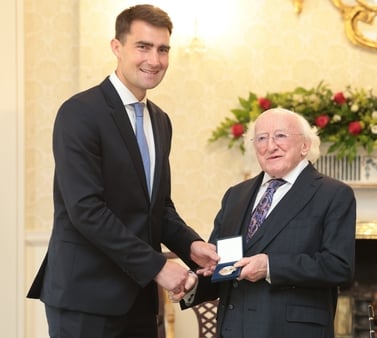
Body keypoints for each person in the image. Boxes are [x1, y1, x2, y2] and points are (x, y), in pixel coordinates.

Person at [26, 5, 219, 338]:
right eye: (143, 47)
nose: (154, 60)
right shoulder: (80, 113)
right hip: (85, 295)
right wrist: (159, 266)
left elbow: (157, 207)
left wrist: (190, 246)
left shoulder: (160, 121)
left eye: (163, 49)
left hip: (140, 298)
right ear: (117, 47)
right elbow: (86, 210)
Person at [186, 108, 356, 338]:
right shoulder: (235, 195)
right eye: (262, 138)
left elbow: (339, 267)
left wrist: (270, 267)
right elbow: (221, 265)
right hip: (233, 329)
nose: (270, 146)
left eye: (281, 136)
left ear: (305, 145)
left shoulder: (333, 194)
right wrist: (191, 283)